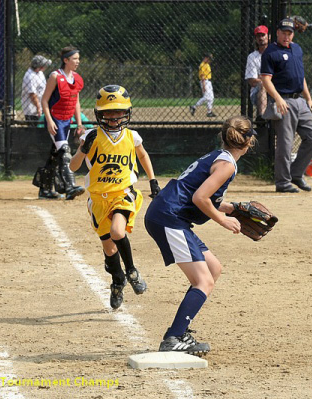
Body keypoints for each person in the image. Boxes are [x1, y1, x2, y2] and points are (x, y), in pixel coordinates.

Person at [144, 115, 257, 355]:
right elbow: (200, 198)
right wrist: (223, 220)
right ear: (249, 142)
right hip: (169, 217)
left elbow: (203, 194)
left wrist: (234, 207)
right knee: (203, 281)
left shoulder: (218, 156)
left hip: (170, 215)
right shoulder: (227, 165)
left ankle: (180, 331)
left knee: (213, 269)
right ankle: (173, 338)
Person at [70, 85, 161, 310]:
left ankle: (131, 271)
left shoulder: (132, 136)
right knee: (109, 249)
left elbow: (142, 154)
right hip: (98, 200)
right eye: (108, 112)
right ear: (99, 113)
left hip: (123, 193)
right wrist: (82, 151)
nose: (113, 117)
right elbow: (73, 167)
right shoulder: (92, 135)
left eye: (118, 111)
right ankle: (117, 280)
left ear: (127, 112)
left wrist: (152, 180)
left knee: (117, 232)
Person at [260, 18, 312, 193]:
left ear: (293, 34)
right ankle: (283, 182)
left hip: (300, 101)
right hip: (283, 101)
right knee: (285, 144)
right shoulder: (271, 52)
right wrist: (278, 99)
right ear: (277, 32)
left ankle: (295, 173)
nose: (286, 36)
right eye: (284, 33)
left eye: (290, 33)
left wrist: (308, 99)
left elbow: (300, 76)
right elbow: (265, 79)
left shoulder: (296, 49)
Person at [37, 46, 86, 200]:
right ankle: (69, 187)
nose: (77, 61)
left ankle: (44, 189)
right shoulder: (55, 76)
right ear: (66, 60)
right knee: (65, 152)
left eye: (78, 58)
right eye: (75, 59)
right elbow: (44, 100)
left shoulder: (76, 78)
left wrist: (79, 124)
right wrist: (49, 121)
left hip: (67, 121)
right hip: (55, 120)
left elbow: (76, 102)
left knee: (55, 155)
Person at [245, 25, 270, 117]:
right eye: (258, 36)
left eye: (263, 35)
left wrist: (262, 78)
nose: (261, 38)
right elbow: (252, 81)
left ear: (269, 36)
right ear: (255, 39)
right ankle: (262, 118)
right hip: (257, 91)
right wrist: (267, 81)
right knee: (263, 85)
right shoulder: (252, 57)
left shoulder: (274, 54)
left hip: (275, 88)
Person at [21, 55, 52, 121]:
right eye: (44, 65)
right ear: (40, 67)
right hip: (32, 110)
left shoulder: (40, 73)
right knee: (34, 128)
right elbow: (32, 94)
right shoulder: (30, 76)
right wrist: (38, 108)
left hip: (42, 106)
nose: (46, 67)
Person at [190, 54, 217, 118]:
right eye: (209, 59)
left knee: (211, 97)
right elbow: (202, 76)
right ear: (206, 58)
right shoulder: (202, 65)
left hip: (209, 82)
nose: (210, 61)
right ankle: (194, 106)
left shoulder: (207, 64)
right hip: (205, 81)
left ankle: (209, 112)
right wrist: (204, 85)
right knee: (206, 97)